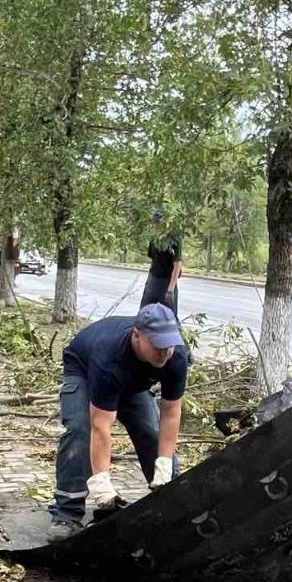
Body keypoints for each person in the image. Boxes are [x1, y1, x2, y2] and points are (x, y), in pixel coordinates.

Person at [48, 303, 187, 528]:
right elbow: (101, 425)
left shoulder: (175, 355)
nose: (165, 352)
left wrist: (164, 463)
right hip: (84, 370)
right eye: (158, 345)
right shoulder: (109, 356)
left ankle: (170, 503)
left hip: (133, 382)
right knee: (79, 430)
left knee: (149, 431)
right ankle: (66, 514)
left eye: (169, 344)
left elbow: (171, 413)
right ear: (137, 336)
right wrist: (101, 482)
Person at [142, 211, 182, 316]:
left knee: (168, 316)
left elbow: (177, 264)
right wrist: (149, 281)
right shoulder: (153, 239)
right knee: (145, 313)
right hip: (153, 280)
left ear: (164, 223)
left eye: (156, 222)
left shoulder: (174, 239)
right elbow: (153, 260)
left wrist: (170, 289)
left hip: (167, 282)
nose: (154, 225)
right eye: (153, 222)